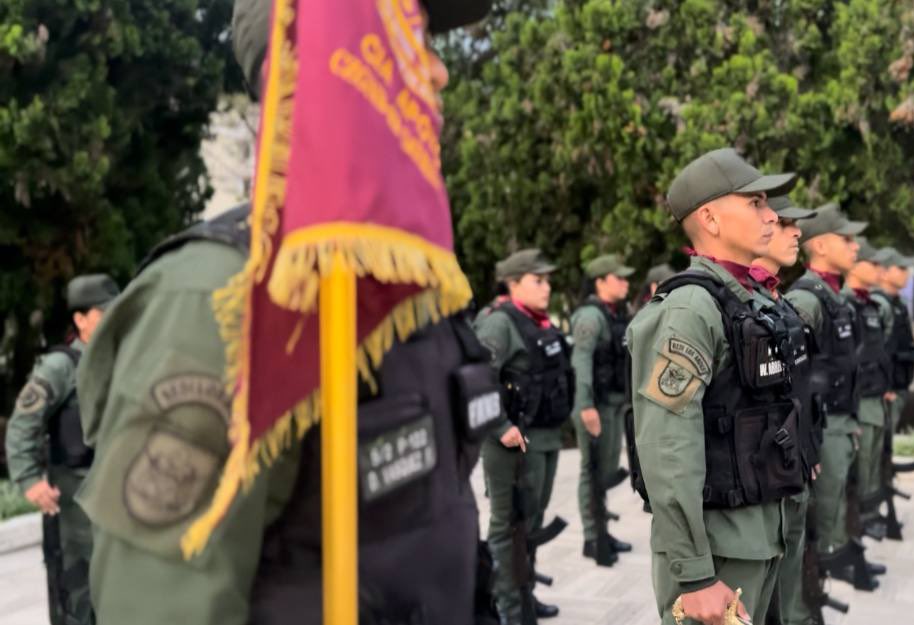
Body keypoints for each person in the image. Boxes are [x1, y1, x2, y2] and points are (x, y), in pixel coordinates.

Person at [73, 2, 502, 623]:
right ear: (323, 64)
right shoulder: (218, 299)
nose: (437, 73)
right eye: (408, 39)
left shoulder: (405, 282)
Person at [627, 147, 803, 625]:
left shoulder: (748, 301)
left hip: (759, 535)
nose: (772, 217)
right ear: (710, 217)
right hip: (717, 552)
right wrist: (695, 574)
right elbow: (667, 446)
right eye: (756, 203)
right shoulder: (689, 310)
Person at [6, 274, 119, 625]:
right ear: (80, 319)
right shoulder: (61, 366)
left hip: (118, 499)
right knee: (78, 598)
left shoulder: (123, 359)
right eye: (103, 313)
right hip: (74, 503)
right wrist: (28, 479)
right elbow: (23, 421)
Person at [785, 204, 882, 591]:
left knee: (836, 499)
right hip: (821, 425)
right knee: (820, 509)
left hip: (838, 419)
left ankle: (828, 564)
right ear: (821, 245)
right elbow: (794, 379)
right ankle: (815, 576)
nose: (856, 248)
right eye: (847, 239)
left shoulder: (833, 297)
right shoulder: (807, 300)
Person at [748, 197, 833, 625]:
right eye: (783, 223)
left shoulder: (782, 305)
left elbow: (803, 390)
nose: (796, 232)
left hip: (792, 474)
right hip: (758, 488)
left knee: (784, 594)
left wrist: (808, 450)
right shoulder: (734, 307)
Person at [475, 248, 572, 623]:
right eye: (538, 280)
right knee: (507, 526)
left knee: (530, 524)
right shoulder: (499, 324)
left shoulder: (540, 322)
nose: (547, 287)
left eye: (548, 279)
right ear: (513, 283)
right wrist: (500, 427)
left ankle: (525, 596)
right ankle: (508, 609)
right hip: (510, 443)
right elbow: (478, 381)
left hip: (543, 437)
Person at [569, 254, 635, 565]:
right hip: (594, 407)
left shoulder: (614, 313)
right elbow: (580, 364)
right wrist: (585, 407)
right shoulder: (590, 317)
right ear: (600, 282)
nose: (625, 282)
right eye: (618, 277)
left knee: (605, 472)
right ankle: (593, 538)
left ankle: (602, 530)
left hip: (611, 405)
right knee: (591, 472)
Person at [841, 238, 895, 540]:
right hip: (857, 399)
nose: (879, 269)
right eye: (872, 263)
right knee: (860, 467)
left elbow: (879, 351)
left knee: (872, 461)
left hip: (874, 394)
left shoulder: (871, 305)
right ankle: (858, 522)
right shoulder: (845, 303)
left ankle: (868, 515)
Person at [873, 248, 914, 433]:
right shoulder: (877, 304)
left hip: (900, 382)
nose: (906, 273)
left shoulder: (898, 303)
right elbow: (877, 350)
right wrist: (885, 385)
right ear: (884, 272)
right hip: (886, 388)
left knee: (887, 440)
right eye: (900, 268)